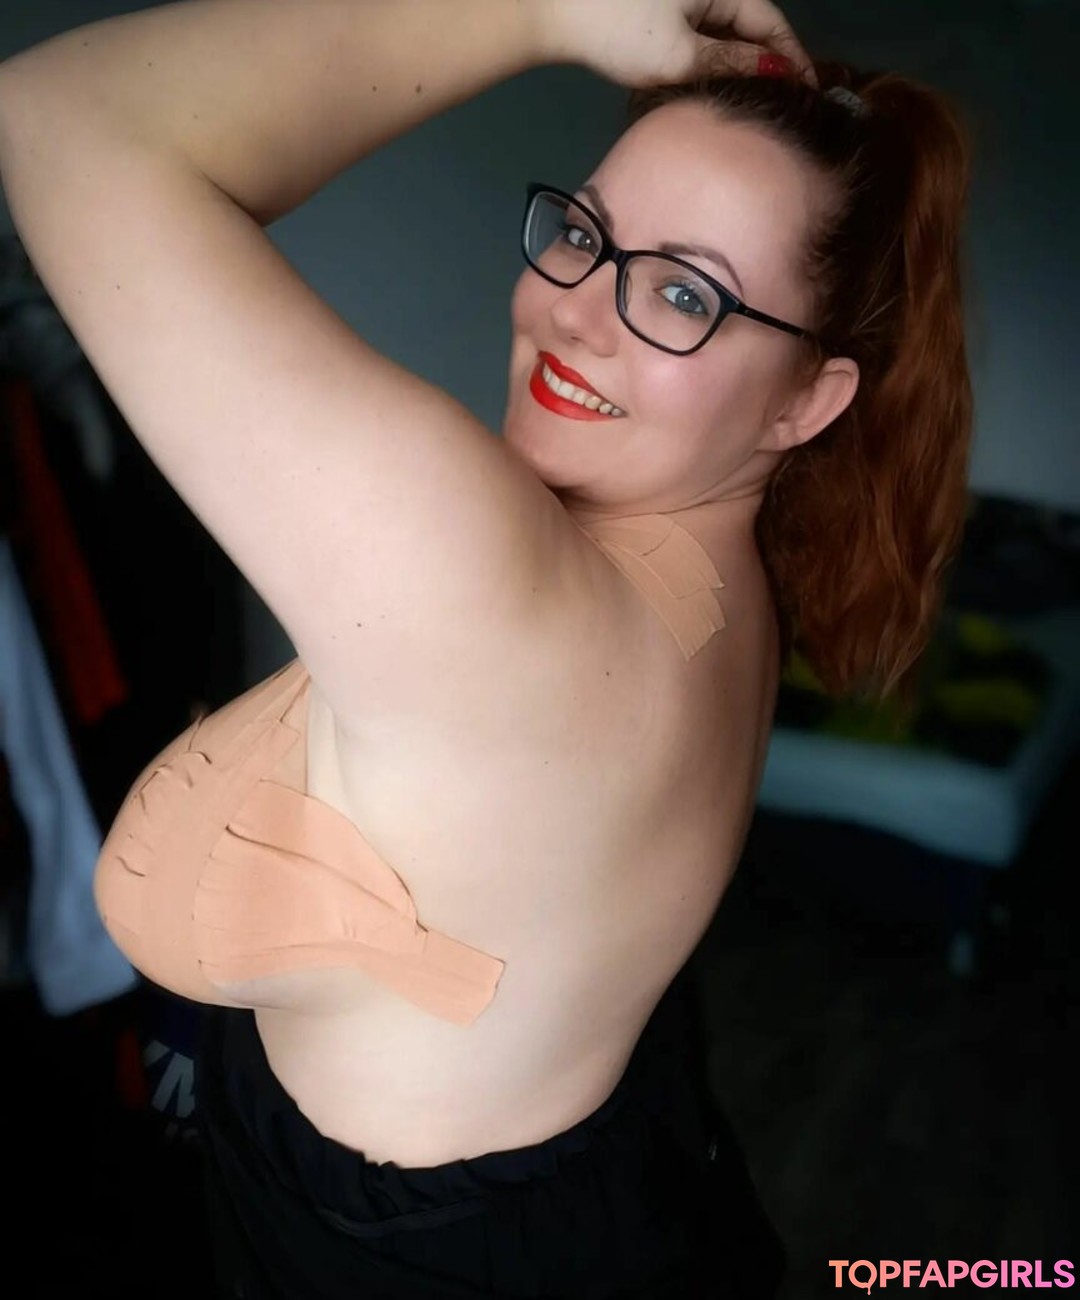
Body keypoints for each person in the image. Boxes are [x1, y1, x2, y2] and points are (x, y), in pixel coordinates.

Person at [0, 0, 972, 1295]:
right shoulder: (704, 572)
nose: (578, 314)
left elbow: (57, 120)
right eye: (583, 234)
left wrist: (542, 10)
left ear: (810, 399)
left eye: (685, 293)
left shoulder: (502, 592)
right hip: (629, 1179)